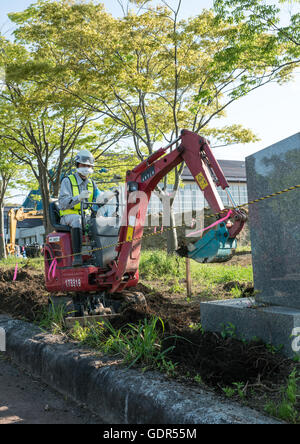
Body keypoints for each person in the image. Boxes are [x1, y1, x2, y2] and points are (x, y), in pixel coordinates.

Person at [58, 149, 116, 266]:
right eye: (83, 165)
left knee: (103, 221)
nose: (86, 168)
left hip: (86, 216)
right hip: (68, 216)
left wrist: (108, 196)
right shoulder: (67, 181)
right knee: (77, 220)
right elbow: (62, 203)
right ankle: (77, 257)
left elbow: (98, 199)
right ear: (77, 165)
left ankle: (105, 256)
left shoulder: (91, 183)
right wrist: (78, 198)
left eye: (89, 166)